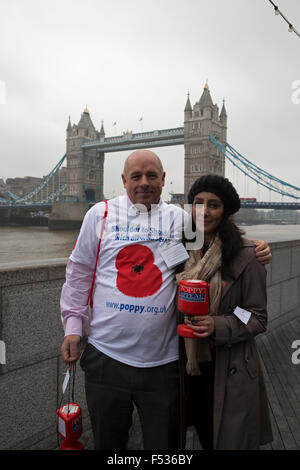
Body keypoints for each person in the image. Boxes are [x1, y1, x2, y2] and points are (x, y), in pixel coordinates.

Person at [60, 149, 272, 450]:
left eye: (151, 176)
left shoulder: (181, 220)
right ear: (124, 180)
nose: (144, 183)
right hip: (105, 359)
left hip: (165, 365)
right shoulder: (100, 214)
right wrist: (72, 326)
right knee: (108, 444)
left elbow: (220, 240)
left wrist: (258, 247)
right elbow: (79, 272)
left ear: (163, 180)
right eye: (136, 176)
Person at [176, 174, 273, 450]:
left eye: (214, 205)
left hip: (227, 367)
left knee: (221, 439)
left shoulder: (248, 255)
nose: (204, 211)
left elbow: (255, 315)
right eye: (197, 203)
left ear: (226, 211)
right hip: (187, 364)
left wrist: (218, 325)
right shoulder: (180, 251)